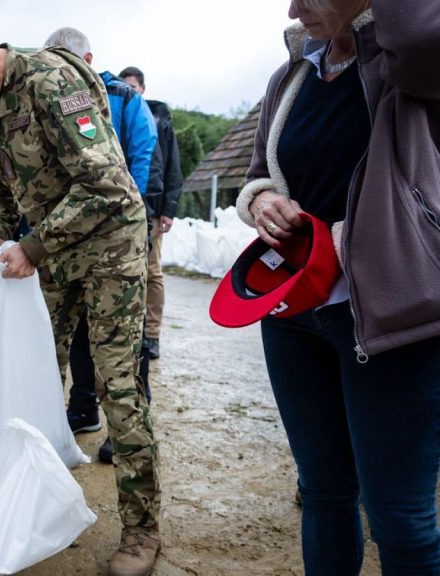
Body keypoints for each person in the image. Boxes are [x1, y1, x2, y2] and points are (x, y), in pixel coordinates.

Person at [0, 23, 161, 575]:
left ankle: (141, 530)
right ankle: (43, 505)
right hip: (53, 251)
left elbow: (109, 185)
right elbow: (0, 189)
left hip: (110, 244)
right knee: (38, 375)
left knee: (117, 385)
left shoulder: (52, 79)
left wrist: (33, 245)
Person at [237, 0, 440, 572]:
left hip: (391, 320)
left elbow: (423, 35)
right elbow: (259, 171)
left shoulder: (404, 65)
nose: (294, 8)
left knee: (399, 516)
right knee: (323, 494)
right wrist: (263, 200)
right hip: (295, 314)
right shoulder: (292, 75)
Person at [43, 28, 160, 453]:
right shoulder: (49, 97)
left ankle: (123, 431)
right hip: (72, 231)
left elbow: (142, 155)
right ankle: (82, 405)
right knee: (75, 328)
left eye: (65, 61)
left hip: (118, 230)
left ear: (87, 59)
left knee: (124, 335)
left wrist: (128, 216)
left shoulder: (123, 98)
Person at [119, 66, 184, 363]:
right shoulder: (117, 114)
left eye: (133, 86)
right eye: (124, 86)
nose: (129, 90)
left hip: (153, 208)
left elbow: (172, 168)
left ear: (143, 88)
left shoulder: (161, 121)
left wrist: (168, 209)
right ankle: (127, 333)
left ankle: (152, 334)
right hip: (123, 206)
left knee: (152, 270)